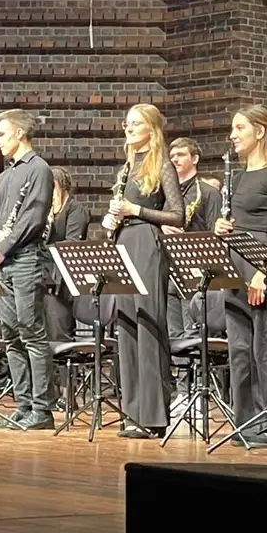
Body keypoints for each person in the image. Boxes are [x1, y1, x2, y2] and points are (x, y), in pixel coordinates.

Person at [215, 106, 267, 446]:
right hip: (236, 264)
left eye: (240, 128)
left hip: (262, 264)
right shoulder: (236, 177)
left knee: (266, 348)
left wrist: (265, 270)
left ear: (260, 131)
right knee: (240, 348)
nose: (233, 135)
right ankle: (247, 421)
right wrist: (221, 227)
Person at [105, 105, 184, 437]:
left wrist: (135, 209)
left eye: (136, 123)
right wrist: (113, 220)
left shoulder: (163, 165)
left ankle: (153, 415)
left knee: (148, 323)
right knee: (126, 325)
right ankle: (133, 413)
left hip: (147, 245)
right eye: (127, 123)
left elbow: (177, 215)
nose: (128, 128)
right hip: (124, 242)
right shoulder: (127, 166)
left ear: (152, 129)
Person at [0, 110, 56, 430]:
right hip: (5, 261)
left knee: (31, 332)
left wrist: (4, 245)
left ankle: (42, 409)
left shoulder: (39, 169)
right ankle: (23, 404)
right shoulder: (5, 176)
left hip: (26, 259)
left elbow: (33, 219)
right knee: (11, 334)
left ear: (19, 133)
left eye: (1, 134)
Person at [164, 137, 223, 340]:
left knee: (193, 335)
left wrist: (187, 238)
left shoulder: (209, 193)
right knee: (173, 337)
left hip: (195, 271)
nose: (175, 159)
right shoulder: (164, 193)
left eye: (180, 155)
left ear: (195, 159)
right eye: (172, 156)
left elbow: (216, 236)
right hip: (168, 268)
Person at [43, 167, 87, 342]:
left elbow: (72, 244)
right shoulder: (45, 211)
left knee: (57, 333)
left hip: (61, 280)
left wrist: (41, 248)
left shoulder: (75, 209)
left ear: (56, 186)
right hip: (43, 275)